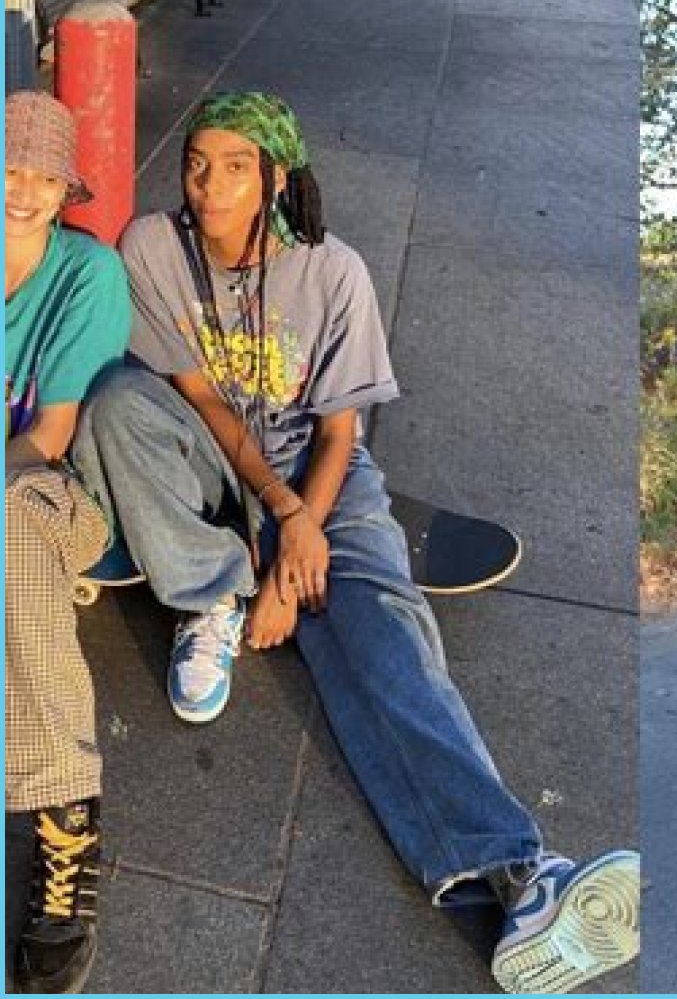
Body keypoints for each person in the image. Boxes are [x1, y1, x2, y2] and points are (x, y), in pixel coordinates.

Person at [71, 91, 639, 994]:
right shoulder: (152, 245)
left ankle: (516, 877)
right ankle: (210, 589)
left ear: (276, 179)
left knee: (385, 638)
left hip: (320, 474)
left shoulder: (334, 273)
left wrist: (304, 528)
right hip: (210, 459)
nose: (209, 184)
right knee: (115, 403)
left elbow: (340, 434)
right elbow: (203, 399)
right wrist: (276, 523)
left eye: (234, 167)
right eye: (196, 162)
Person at [5, 91, 133, 994]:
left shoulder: (87, 275)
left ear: (65, 189)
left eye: (45, 176)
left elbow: (48, 434)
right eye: (9, 169)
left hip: (56, 497)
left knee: (10, 531)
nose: (24, 191)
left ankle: (63, 813)